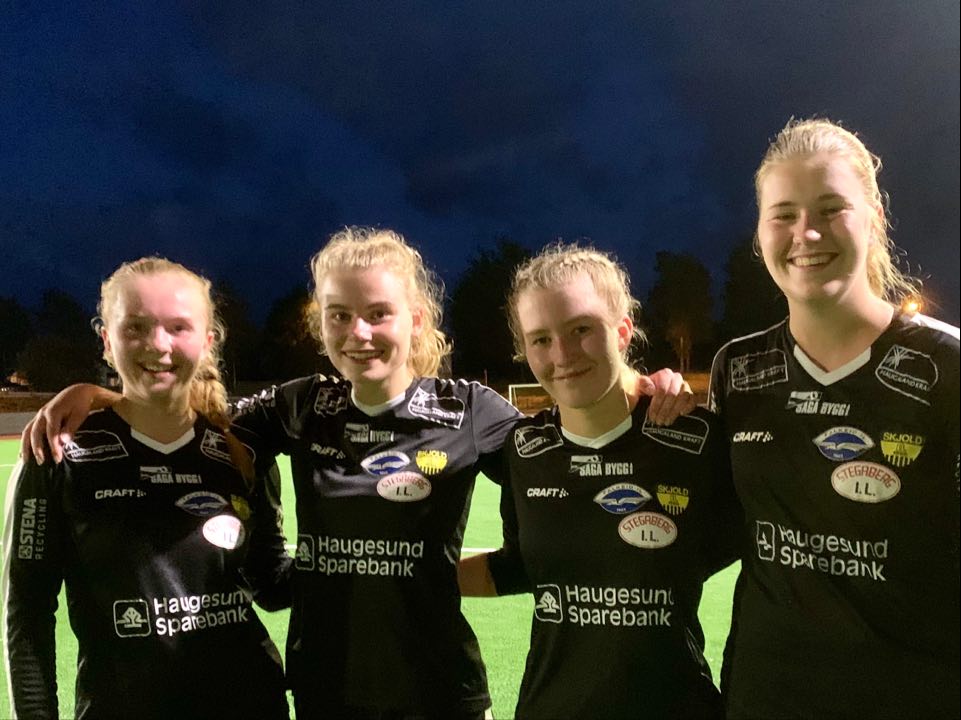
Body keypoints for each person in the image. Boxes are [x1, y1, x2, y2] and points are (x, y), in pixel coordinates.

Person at [20, 228, 693, 719]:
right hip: (325, 693)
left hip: (442, 695)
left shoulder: (471, 411)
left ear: (415, 320)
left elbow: (568, 458)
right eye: (339, 316)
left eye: (378, 314)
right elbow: (183, 417)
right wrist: (99, 394)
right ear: (320, 324)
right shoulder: (295, 407)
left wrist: (641, 385)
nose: (358, 333)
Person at [709, 118, 960, 719]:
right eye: (784, 215)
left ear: (873, 218)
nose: (807, 233)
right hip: (764, 697)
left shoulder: (947, 365)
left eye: (831, 208)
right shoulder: (737, 369)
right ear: (760, 232)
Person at [458, 244, 741, 719]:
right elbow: (522, 566)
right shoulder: (524, 450)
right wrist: (400, 576)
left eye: (581, 329)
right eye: (540, 339)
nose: (562, 355)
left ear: (623, 331)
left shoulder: (694, 440)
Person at [2, 258, 291, 719]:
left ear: (207, 341)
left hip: (251, 705)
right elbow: (28, 615)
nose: (158, 344)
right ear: (106, 340)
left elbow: (271, 586)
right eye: (136, 327)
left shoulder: (240, 452)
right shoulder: (58, 453)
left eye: (178, 327)